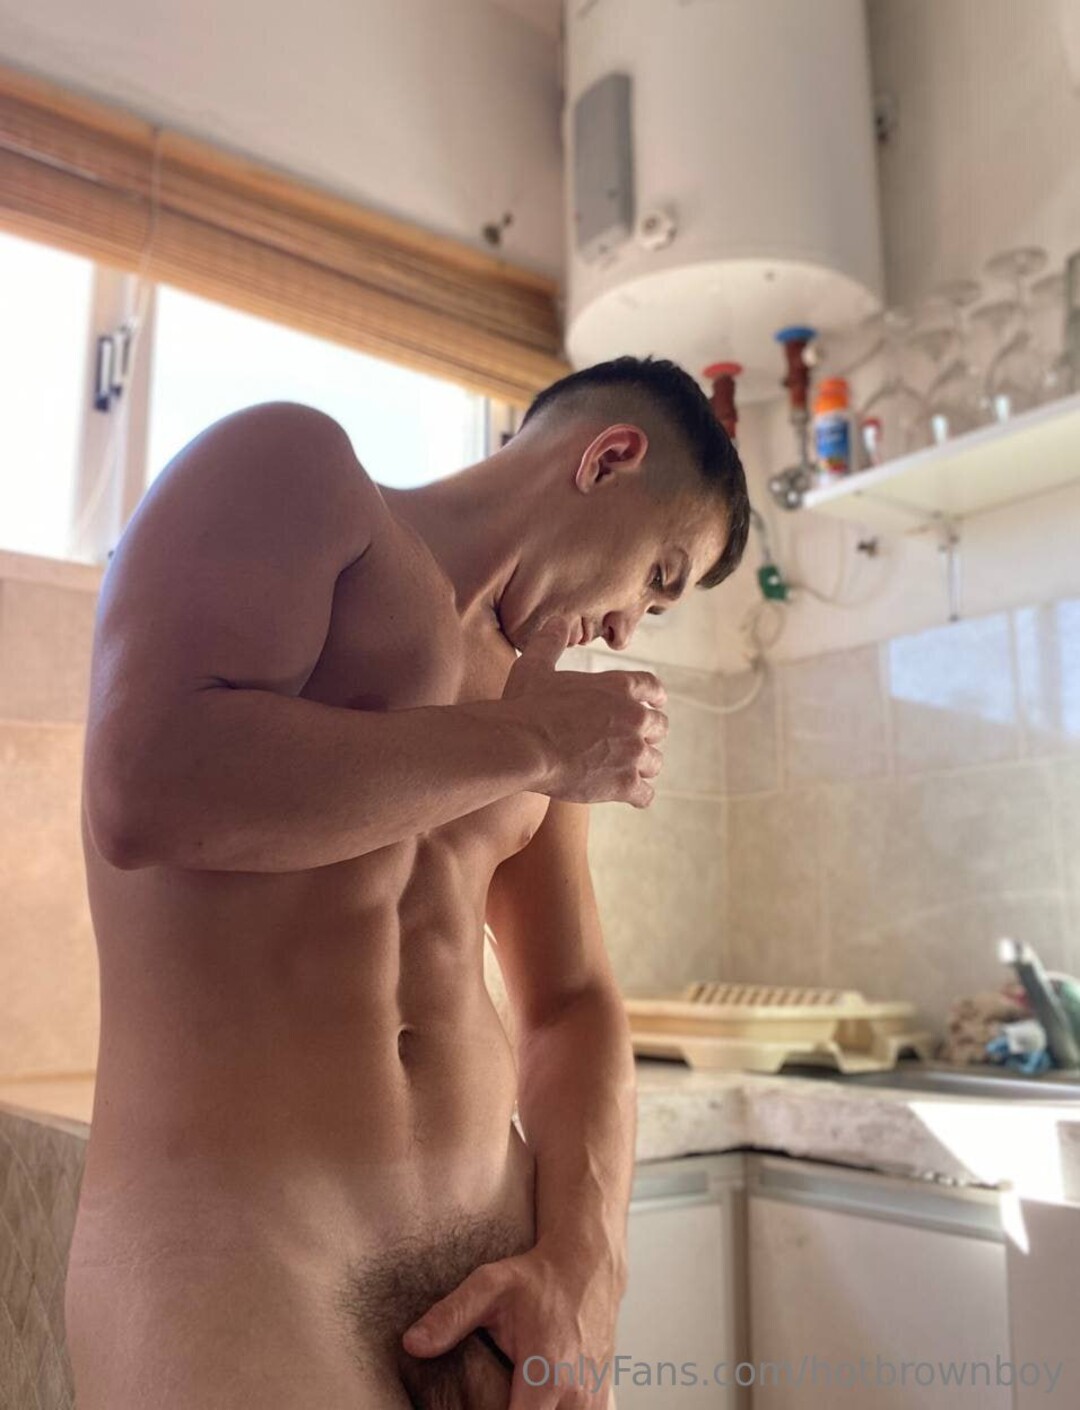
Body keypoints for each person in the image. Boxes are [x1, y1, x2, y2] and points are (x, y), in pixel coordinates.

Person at [65, 353, 749, 1409]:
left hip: (504, 1284)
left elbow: (571, 1002)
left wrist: (586, 1263)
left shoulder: (534, 699)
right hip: (246, 1268)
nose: (626, 627)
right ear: (611, 457)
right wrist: (532, 743)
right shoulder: (295, 470)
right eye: (659, 577)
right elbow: (146, 785)